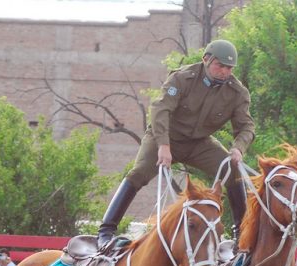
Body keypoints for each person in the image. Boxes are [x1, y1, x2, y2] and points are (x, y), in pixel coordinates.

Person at [96, 39, 253, 248]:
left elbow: (246, 127)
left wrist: (238, 148)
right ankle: (106, 231)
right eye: (220, 65)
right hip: (165, 135)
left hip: (199, 143)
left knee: (232, 170)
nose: (224, 71)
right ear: (206, 60)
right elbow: (160, 110)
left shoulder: (237, 92)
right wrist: (163, 145)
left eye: (229, 67)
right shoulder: (183, 78)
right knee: (140, 172)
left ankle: (241, 235)